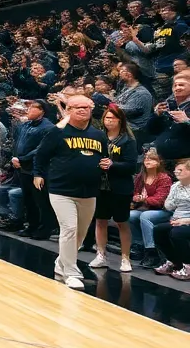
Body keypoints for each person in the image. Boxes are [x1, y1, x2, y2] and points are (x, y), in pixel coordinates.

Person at [34, 94, 107, 291]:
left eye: (86, 107)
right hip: (61, 190)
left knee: (80, 235)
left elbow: (104, 160)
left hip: (89, 192)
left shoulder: (99, 135)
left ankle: (61, 263)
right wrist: (38, 174)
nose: (82, 110)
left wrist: (108, 165)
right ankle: (72, 272)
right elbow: (40, 155)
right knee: (69, 229)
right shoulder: (57, 133)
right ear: (68, 111)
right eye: (77, 107)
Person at [90, 104, 139, 273]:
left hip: (120, 187)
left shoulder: (128, 140)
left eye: (112, 118)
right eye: (106, 118)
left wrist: (113, 164)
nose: (108, 121)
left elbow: (132, 166)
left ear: (120, 120)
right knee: (100, 220)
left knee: (122, 222)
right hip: (100, 186)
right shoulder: (98, 137)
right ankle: (101, 254)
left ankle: (125, 258)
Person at [11, 99, 56, 239]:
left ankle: (44, 230)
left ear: (42, 110)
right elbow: (16, 142)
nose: (28, 110)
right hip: (23, 168)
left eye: (32, 108)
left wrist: (22, 158)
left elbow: (41, 149)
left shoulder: (48, 127)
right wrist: (15, 157)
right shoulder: (25, 125)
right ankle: (31, 226)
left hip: (38, 169)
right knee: (28, 200)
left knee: (41, 202)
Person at [130, 149, 173, 269]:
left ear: (158, 162)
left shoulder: (164, 178)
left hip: (162, 210)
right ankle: (138, 245)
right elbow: (135, 192)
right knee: (131, 216)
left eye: (152, 158)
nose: (147, 160)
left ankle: (152, 251)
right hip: (144, 208)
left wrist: (144, 199)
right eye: (146, 158)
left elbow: (159, 200)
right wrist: (136, 197)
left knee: (145, 217)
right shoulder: (140, 177)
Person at [152, 157, 190, 279]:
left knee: (177, 233)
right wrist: (174, 196)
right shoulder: (175, 186)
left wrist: (185, 221)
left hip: (187, 221)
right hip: (177, 219)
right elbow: (168, 206)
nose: (176, 173)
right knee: (159, 230)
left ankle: (187, 266)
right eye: (175, 170)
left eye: (180, 170)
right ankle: (174, 262)